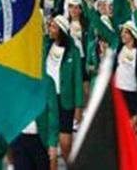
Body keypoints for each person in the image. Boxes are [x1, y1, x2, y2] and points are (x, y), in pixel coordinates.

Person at [44, 15, 83, 163]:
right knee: (50, 143)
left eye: (54, 27)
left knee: (65, 142)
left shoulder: (73, 52)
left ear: (61, 30)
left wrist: (79, 107)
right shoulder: (46, 46)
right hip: (48, 98)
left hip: (65, 99)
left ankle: (71, 165)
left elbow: (78, 80)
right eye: (50, 26)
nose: (50, 29)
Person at [10, 76, 59, 170]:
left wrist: (53, 143)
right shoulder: (14, 80)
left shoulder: (47, 82)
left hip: (41, 139)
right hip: (19, 139)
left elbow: (53, 113)